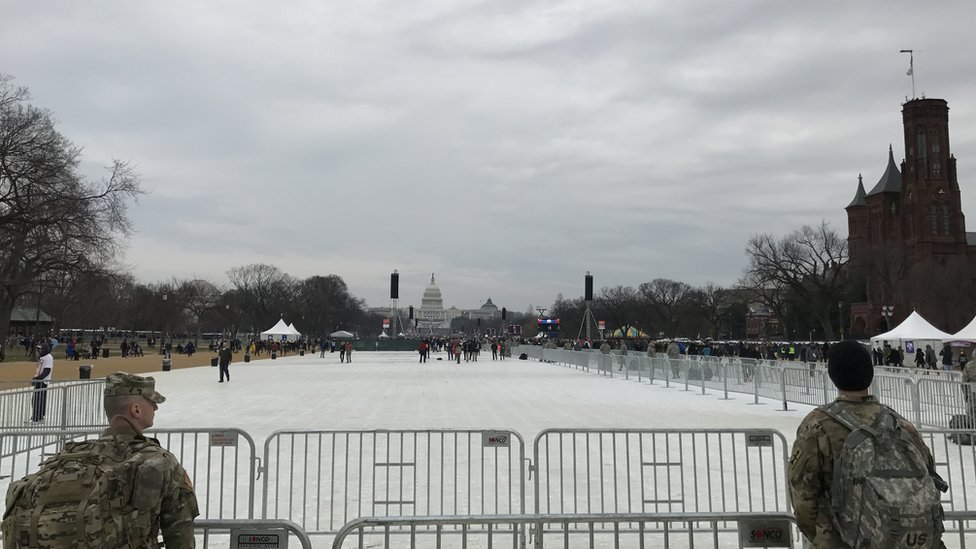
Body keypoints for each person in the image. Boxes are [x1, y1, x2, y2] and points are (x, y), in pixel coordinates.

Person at [2, 372, 199, 547]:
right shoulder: (160, 461)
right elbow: (180, 535)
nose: (155, 406)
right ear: (136, 410)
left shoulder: (70, 456)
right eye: (151, 402)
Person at [789, 340, 946, 548]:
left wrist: (823, 537)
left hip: (842, 539)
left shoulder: (818, 425)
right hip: (907, 538)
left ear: (833, 375)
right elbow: (928, 474)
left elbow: (802, 494)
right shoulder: (899, 424)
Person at [28, 343, 54, 423]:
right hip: (39, 381)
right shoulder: (42, 357)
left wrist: (38, 378)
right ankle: (38, 416)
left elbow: (47, 371)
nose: (39, 350)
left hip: (42, 381)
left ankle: (37, 417)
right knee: (36, 400)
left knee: (37, 400)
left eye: (41, 349)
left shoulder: (48, 358)